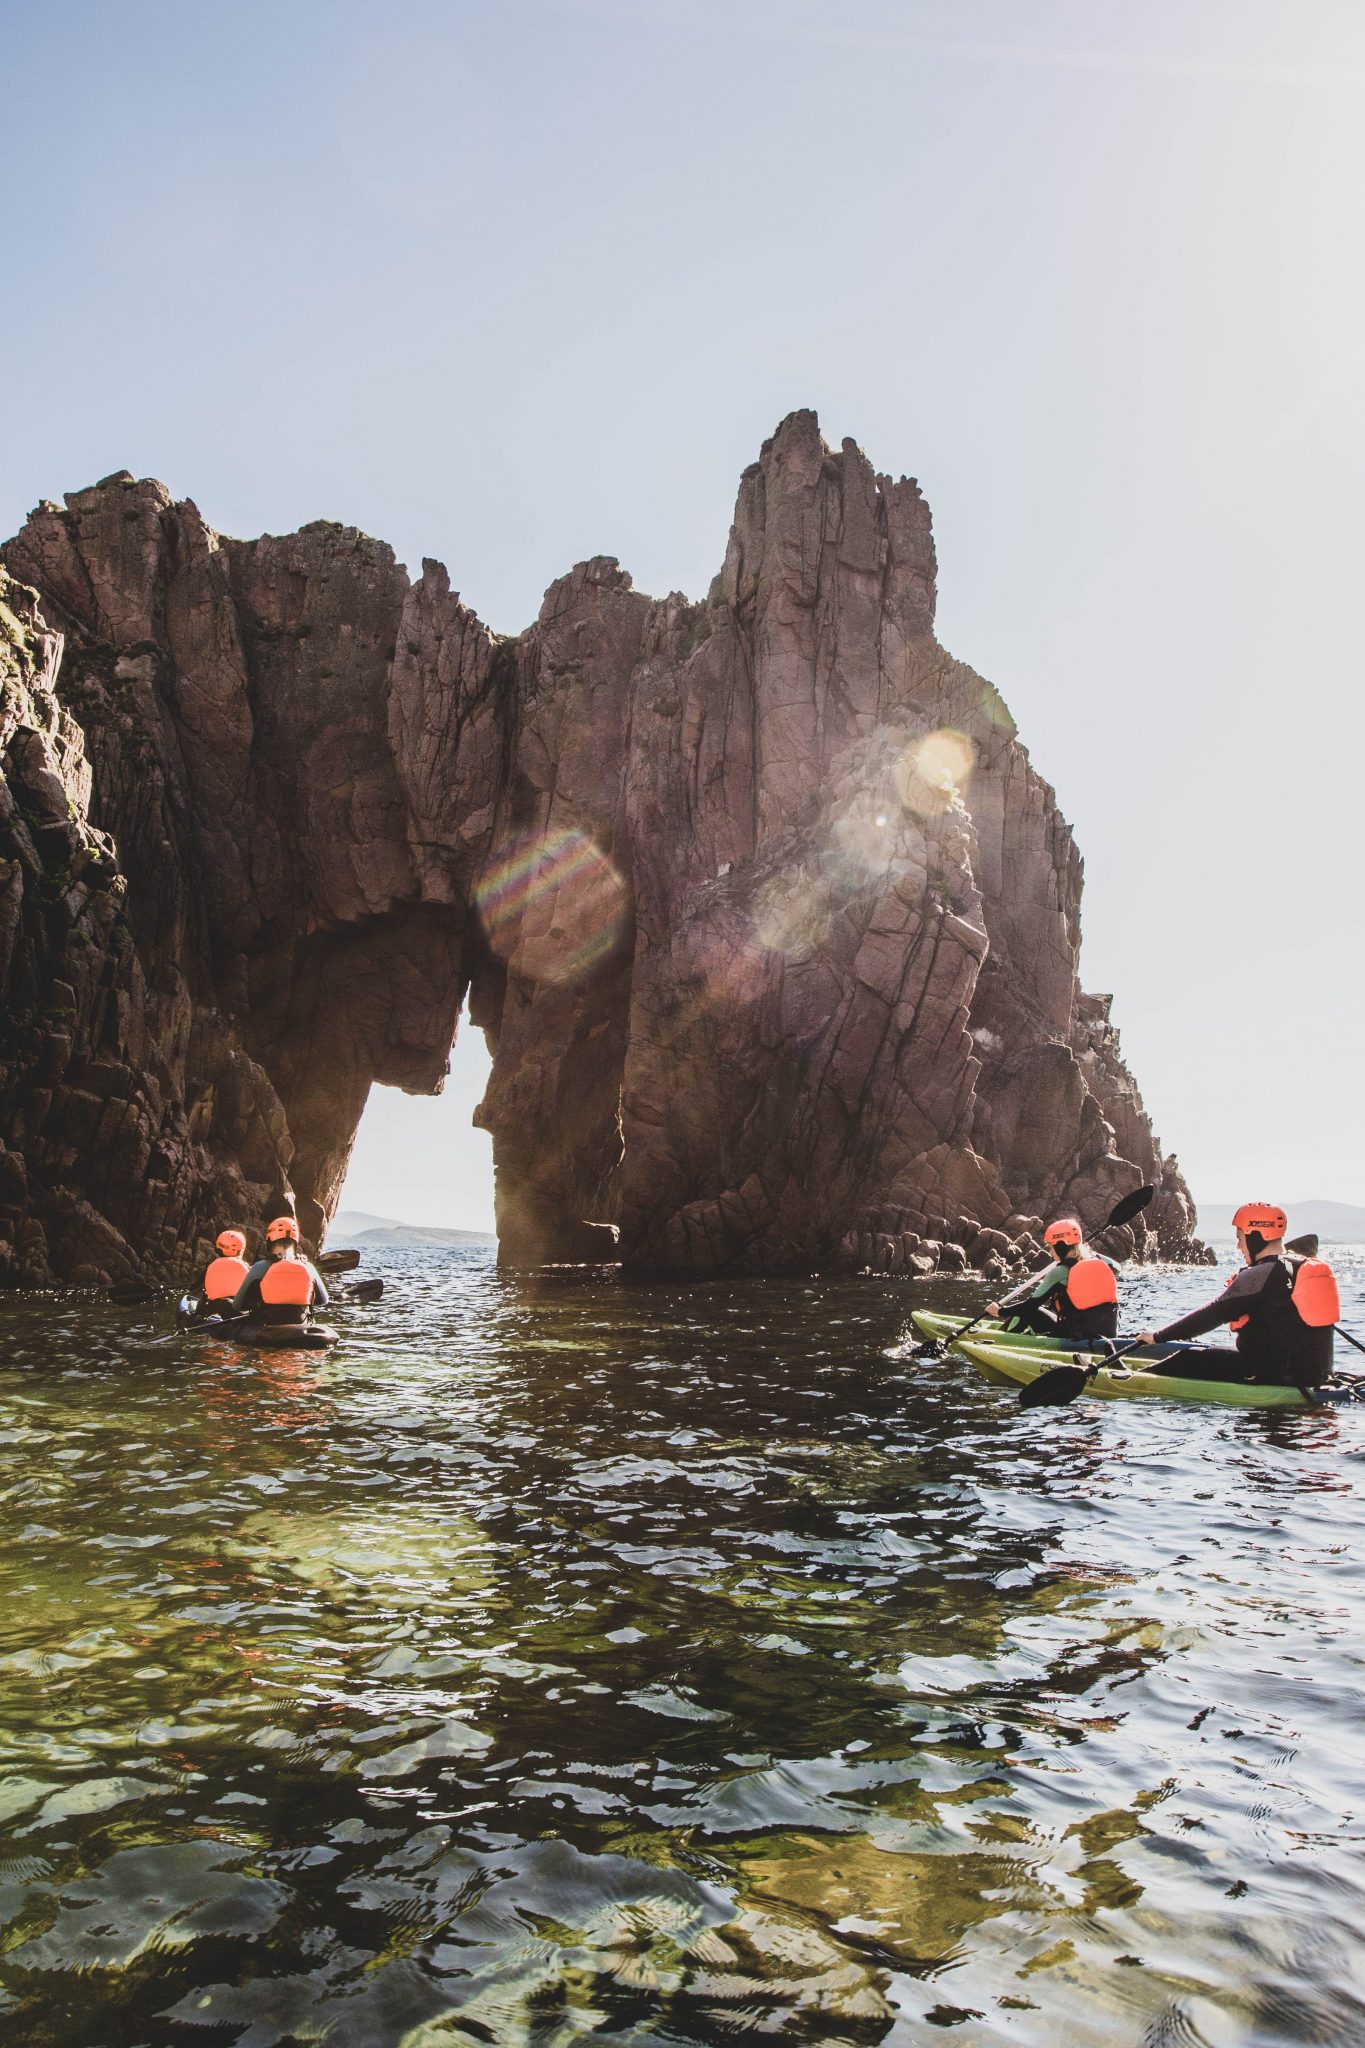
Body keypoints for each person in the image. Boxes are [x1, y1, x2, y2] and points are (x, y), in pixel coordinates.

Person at [1136, 1203, 1338, 1387]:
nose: (1238, 1247)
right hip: (1313, 1375)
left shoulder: (1261, 1274)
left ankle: (1129, 1381)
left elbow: (1211, 1315)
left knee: (1186, 1358)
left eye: (1240, 1239)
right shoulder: (1300, 1266)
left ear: (1256, 1237)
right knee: (1210, 1352)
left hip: (1269, 1376)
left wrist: (1158, 1336)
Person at [985, 1218, 1120, 1340]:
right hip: (1108, 1334)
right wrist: (1084, 1250)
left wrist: (1000, 1311)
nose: (1050, 1252)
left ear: (1061, 1246)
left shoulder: (1060, 1272)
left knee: (1028, 1313)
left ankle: (999, 1341)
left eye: (1051, 1246)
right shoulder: (1101, 1265)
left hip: (1076, 1336)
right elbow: (1117, 1266)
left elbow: (1029, 1306)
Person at [229, 1216, 330, 1327]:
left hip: (266, 1329)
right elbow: (323, 1301)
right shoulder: (308, 1267)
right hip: (300, 1327)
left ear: (269, 1240)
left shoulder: (259, 1267)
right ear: (295, 1242)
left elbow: (237, 1305)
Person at [195, 1229, 251, 1317]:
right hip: (237, 1311)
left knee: (204, 1298)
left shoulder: (211, 1266)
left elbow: (194, 1288)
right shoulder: (245, 1266)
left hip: (213, 1308)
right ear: (239, 1250)